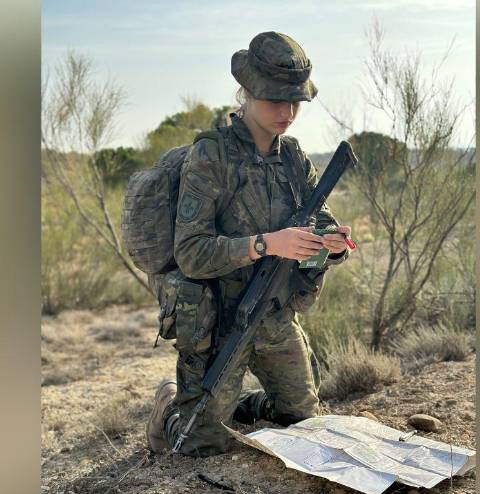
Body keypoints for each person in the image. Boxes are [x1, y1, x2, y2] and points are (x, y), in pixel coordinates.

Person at [146, 31, 353, 457]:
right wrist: (267, 244)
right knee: (201, 445)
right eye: (276, 99)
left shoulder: (293, 157)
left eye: (295, 101)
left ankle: (244, 405)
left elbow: (321, 225)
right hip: (220, 319)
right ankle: (168, 408)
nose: (288, 112)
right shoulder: (211, 156)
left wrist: (331, 246)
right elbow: (192, 252)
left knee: (302, 424)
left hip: (274, 314)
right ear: (247, 94)